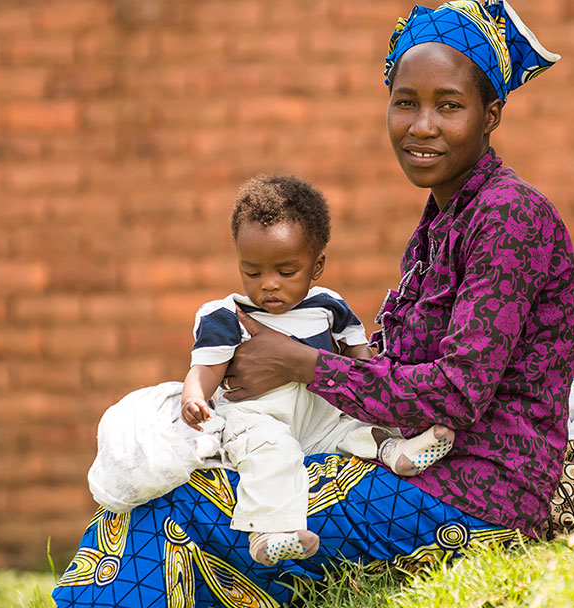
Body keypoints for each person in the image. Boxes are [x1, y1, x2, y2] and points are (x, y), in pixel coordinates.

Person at [44, 2, 574, 608]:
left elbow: (458, 394)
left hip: (475, 491)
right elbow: (398, 372)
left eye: (450, 105)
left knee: (175, 508)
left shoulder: (507, 218)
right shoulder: (446, 217)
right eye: (405, 102)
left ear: (491, 114)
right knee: (202, 478)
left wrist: (299, 363)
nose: (423, 126)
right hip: (426, 468)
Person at [180, 174, 454, 566]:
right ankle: (269, 534)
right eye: (253, 272)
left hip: (320, 415)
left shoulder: (329, 305)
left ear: (317, 265)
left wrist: (379, 379)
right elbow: (206, 366)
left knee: (351, 425)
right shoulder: (227, 314)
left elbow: (363, 358)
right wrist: (195, 397)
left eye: (286, 272)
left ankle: (396, 451)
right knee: (269, 454)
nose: (269, 285)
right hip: (259, 418)